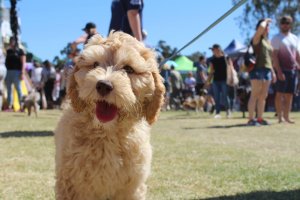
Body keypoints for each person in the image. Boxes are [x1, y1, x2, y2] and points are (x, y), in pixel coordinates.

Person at [247, 18, 276, 126]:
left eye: (268, 27)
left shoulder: (267, 41)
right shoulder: (256, 38)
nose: (267, 28)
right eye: (266, 26)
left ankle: (259, 118)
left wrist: (272, 71)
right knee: (255, 94)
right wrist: (266, 20)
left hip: (267, 69)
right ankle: (251, 119)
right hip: (257, 69)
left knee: (263, 96)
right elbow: (261, 28)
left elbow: (269, 58)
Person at [271, 15, 300, 124]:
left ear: (290, 24)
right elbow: (274, 55)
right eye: (283, 22)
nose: (285, 24)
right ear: (280, 24)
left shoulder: (295, 38)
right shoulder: (276, 38)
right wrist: (278, 71)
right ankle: (280, 118)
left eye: (287, 22)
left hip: (292, 70)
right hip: (281, 70)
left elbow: (297, 55)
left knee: (289, 94)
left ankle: (287, 117)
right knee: (279, 93)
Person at [206, 44, 232, 119]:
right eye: (212, 50)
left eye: (213, 49)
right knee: (216, 98)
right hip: (215, 81)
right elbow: (211, 72)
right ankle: (217, 113)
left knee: (225, 97)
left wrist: (230, 79)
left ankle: (228, 111)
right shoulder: (212, 60)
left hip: (225, 80)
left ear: (219, 49)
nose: (213, 51)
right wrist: (208, 81)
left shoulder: (226, 58)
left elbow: (230, 69)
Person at [4, 36, 26, 111]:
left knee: (19, 89)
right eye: (10, 40)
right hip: (8, 72)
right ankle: (9, 106)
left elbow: (23, 63)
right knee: (9, 90)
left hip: (17, 72)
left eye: (12, 40)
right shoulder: (8, 51)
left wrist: (22, 72)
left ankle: (22, 106)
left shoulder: (20, 51)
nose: (11, 42)